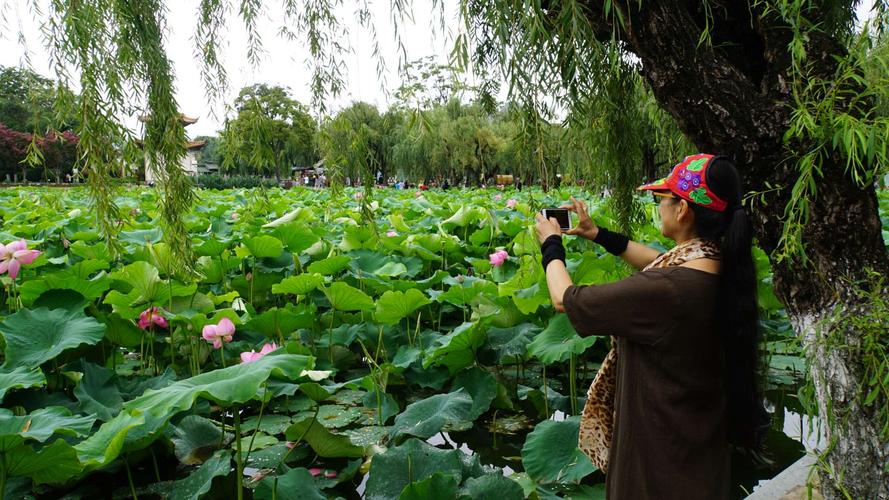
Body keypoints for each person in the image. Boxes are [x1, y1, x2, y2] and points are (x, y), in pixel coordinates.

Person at [534, 154, 766, 500]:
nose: (658, 208)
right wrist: (598, 235)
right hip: (698, 452)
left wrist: (551, 244)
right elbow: (655, 261)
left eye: (662, 200)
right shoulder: (718, 262)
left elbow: (564, 298)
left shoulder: (671, 289)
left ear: (683, 209)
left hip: (659, 466)